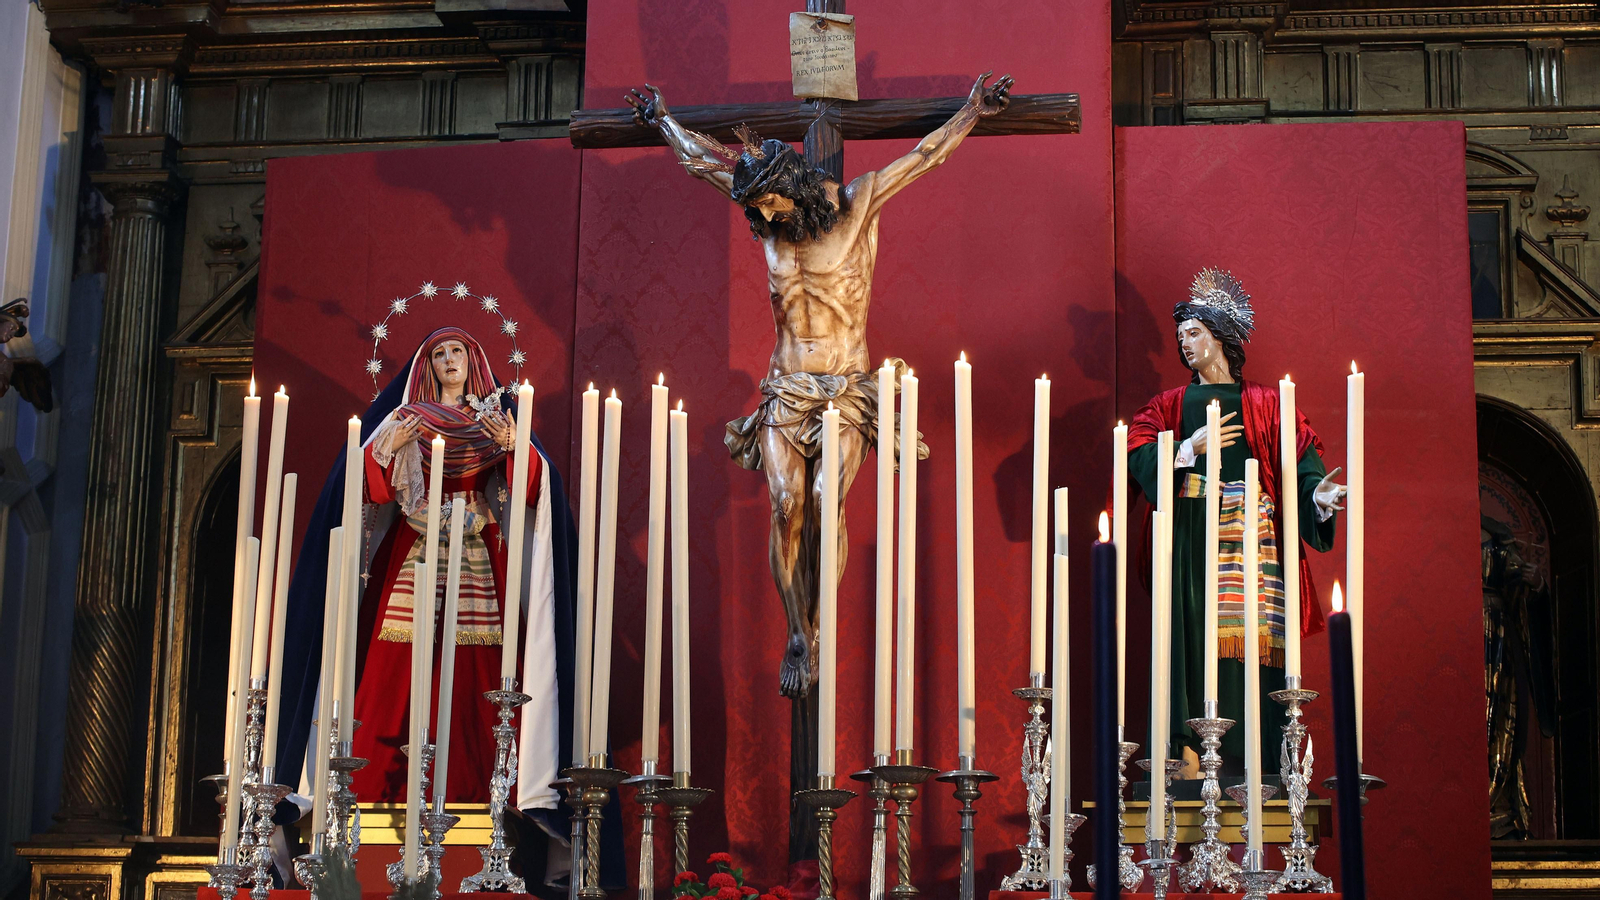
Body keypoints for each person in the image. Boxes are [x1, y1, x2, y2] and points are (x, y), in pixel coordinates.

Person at [625, 72, 1010, 697]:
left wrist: (972, 111)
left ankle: (817, 628)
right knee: (785, 509)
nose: (762, 218)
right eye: (756, 212)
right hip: (785, 389)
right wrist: (662, 117)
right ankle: (798, 633)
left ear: (793, 187)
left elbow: (922, 157)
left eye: (769, 207)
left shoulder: (856, 205)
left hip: (841, 389)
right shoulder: (766, 215)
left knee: (828, 504)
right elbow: (701, 163)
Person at [274, 326, 585, 883]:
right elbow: (363, 488)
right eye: (439, 353)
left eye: (457, 352)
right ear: (427, 364)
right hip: (414, 551)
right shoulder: (405, 419)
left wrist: (514, 447)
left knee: (481, 677)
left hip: (474, 552)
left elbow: (540, 488)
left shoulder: (494, 418)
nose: (449, 361)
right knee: (395, 672)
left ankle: (490, 805)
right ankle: (368, 798)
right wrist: (388, 450)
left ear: (474, 361)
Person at [1127, 269, 1346, 776]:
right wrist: (1183, 448)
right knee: (1192, 637)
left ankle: (1258, 756)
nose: (1185, 344)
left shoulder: (1269, 404)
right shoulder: (1169, 406)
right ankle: (1188, 757)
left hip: (1252, 540)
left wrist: (1320, 494)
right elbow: (1134, 448)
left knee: (1248, 644)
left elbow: (1302, 463)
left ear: (1220, 335)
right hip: (1190, 539)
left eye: (1194, 332)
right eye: (1180, 336)